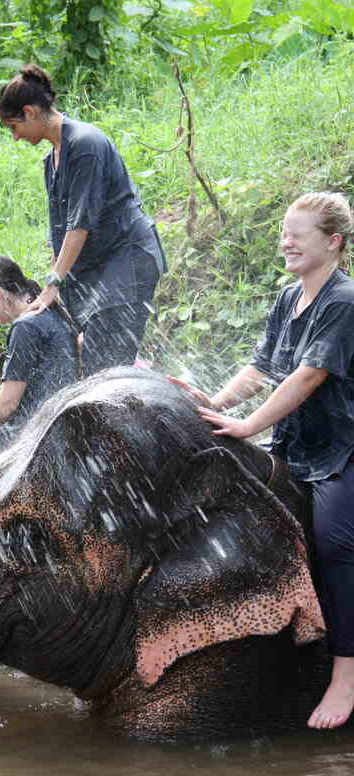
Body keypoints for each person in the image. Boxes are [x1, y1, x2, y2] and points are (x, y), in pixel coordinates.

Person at [169, 192, 354, 730]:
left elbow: (308, 375)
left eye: (297, 234)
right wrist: (218, 404)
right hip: (294, 446)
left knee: (335, 541)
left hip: (342, 448)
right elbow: (264, 366)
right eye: (284, 233)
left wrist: (251, 425)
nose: (285, 242)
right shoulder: (288, 298)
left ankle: (346, 674)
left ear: (333, 242)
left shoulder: (343, 302)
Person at [0, 65, 165, 376]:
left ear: (30, 112)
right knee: (88, 362)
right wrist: (58, 289)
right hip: (98, 267)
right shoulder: (52, 159)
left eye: (13, 126)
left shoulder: (86, 144)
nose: (15, 137)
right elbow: (59, 232)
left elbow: (80, 224)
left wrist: (52, 285)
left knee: (103, 368)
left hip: (127, 261)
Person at [0, 256, 79, 460]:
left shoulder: (26, 326)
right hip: (58, 426)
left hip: (32, 434)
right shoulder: (50, 311)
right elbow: (6, 393)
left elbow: (7, 404)